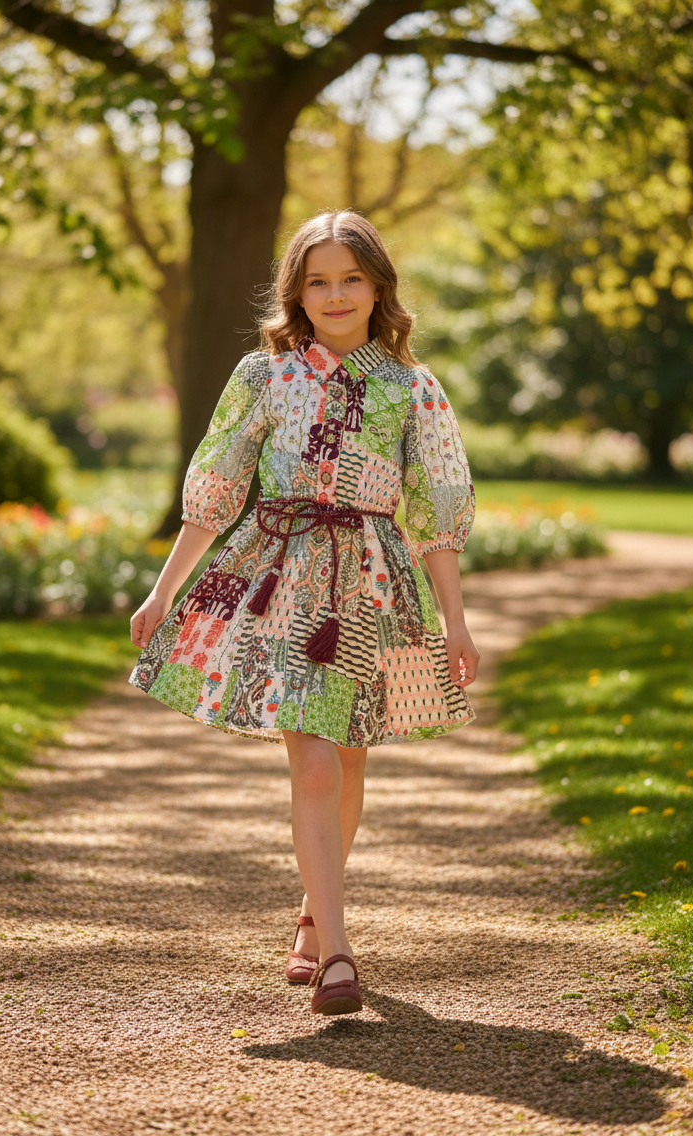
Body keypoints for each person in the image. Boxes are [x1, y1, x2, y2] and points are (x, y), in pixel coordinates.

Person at [129, 210, 480, 1017]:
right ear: (297, 292)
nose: (335, 294)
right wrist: (164, 589)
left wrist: (456, 621)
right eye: (318, 280)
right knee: (315, 762)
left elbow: (436, 508)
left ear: (379, 286)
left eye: (351, 278)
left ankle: (313, 914)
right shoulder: (263, 376)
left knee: (349, 761)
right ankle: (339, 958)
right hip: (280, 581)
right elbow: (216, 487)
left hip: (368, 585)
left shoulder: (411, 388)